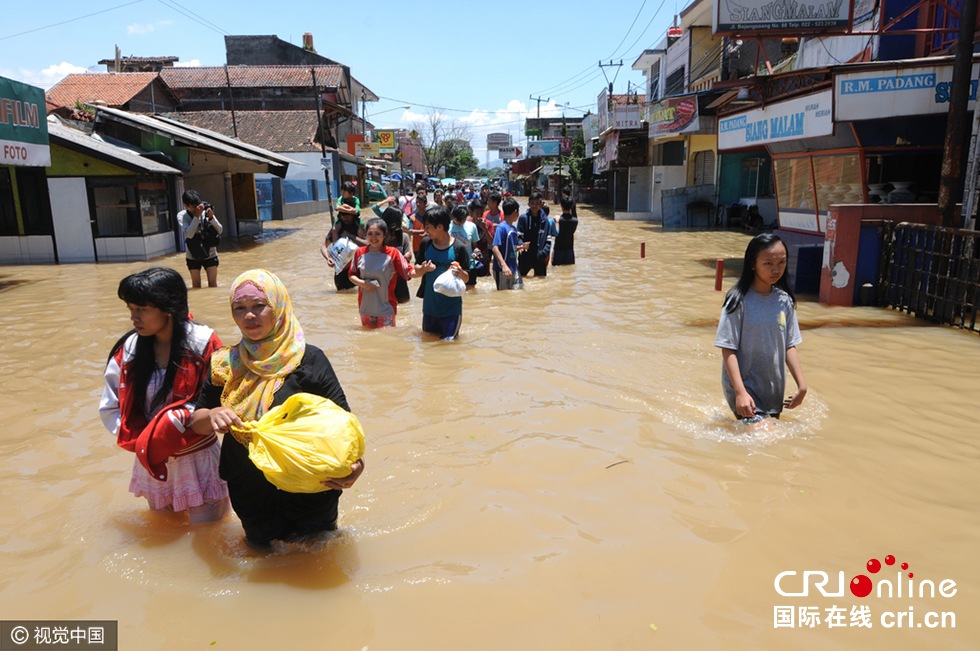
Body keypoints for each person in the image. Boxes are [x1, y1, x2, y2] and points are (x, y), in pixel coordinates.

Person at [190, 270, 365, 549]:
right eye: (240, 309)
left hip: (311, 482)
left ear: (279, 306)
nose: (249, 316)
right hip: (249, 485)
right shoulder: (225, 363)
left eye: (259, 306)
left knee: (320, 553)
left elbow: (344, 422)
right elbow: (196, 422)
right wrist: (211, 416)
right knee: (262, 555)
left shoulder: (310, 359)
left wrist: (356, 466)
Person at [100, 267, 229, 523]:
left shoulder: (204, 344)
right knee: (164, 535)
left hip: (199, 460)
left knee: (209, 539)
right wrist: (145, 442)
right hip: (152, 461)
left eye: (142, 309)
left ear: (168, 308)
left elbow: (226, 401)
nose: (134, 317)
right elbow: (112, 406)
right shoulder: (129, 350)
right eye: (131, 309)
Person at [714, 233, 808, 424]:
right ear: (752, 264)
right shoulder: (738, 300)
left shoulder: (785, 301)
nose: (776, 269)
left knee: (765, 442)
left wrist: (802, 385)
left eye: (781, 262)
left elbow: (789, 345)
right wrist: (740, 392)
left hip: (773, 390)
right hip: (745, 388)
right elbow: (728, 348)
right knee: (768, 440)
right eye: (768, 263)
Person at [413, 206, 471, 340]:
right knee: (429, 346)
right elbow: (416, 268)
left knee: (449, 345)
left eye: (427, 227)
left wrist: (460, 272)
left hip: (452, 309)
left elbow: (467, 279)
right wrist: (424, 269)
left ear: (439, 227)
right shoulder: (426, 243)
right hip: (430, 307)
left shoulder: (459, 248)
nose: (425, 230)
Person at [348, 218, 414, 328]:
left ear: (385, 234)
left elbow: (409, 271)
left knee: (387, 341)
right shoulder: (359, 253)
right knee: (367, 342)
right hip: (365, 308)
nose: (373, 237)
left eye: (377, 234)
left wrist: (422, 270)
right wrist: (363, 283)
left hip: (386, 309)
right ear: (366, 235)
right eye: (370, 234)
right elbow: (351, 275)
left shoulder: (393, 253)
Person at [321, 182, 366, 291]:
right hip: (340, 272)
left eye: (348, 215)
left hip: (356, 271)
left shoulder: (359, 228)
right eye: (342, 215)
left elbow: (367, 246)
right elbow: (323, 246)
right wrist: (328, 258)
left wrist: (350, 236)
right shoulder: (337, 228)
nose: (345, 218)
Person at [179, 190, 223, 289]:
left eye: (198, 205)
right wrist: (197, 216)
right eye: (194, 207)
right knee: (196, 286)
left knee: (213, 286)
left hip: (210, 252)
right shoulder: (182, 216)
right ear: (186, 205)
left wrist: (211, 218)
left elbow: (219, 230)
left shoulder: (205, 211)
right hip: (192, 254)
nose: (197, 208)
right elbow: (189, 234)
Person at [491, 197, 528, 290]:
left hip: (514, 267)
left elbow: (512, 247)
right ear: (515, 212)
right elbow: (495, 248)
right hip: (502, 269)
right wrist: (504, 266)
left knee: (519, 290)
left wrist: (521, 247)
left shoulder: (514, 229)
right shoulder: (501, 228)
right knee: (503, 295)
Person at [517, 191, 553, 278]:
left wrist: (544, 253)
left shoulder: (545, 221)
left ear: (541, 204)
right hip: (525, 256)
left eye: (537, 204)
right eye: (532, 203)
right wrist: (521, 245)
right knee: (520, 280)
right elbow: (519, 236)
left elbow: (548, 240)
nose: (534, 206)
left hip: (540, 257)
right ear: (528, 204)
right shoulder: (523, 218)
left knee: (541, 284)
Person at [448, 204, 480, 288]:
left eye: (463, 219)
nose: (461, 222)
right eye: (458, 220)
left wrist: (476, 252)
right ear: (453, 217)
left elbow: (475, 246)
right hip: (452, 263)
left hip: (469, 263)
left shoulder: (472, 226)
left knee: (470, 290)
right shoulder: (447, 227)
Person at [470, 200, 495, 280]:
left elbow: (492, 242)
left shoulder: (488, 224)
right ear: (471, 213)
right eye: (477, 214)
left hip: (484, 260)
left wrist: (485, 229)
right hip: (470, 260)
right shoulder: (467, 224)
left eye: (481, 214)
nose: (479, 217)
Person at [552, 196, 578, 266]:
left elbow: (555, 233)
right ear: (572, 206)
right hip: (569, 250)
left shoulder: (557, 219)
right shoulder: (575, 221)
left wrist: (557, 222)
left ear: (561, 206)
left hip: (558, 250)